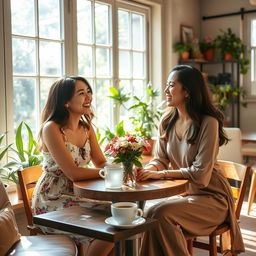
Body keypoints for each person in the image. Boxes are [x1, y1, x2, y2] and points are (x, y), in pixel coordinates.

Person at [136, 65, 244, 256]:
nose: (165, 91)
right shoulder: (167, 120)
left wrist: (160, 174)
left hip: (212, 199)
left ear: (187, 91)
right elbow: (160, 158)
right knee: (149, 216)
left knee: (160, 215)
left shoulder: (208, 122)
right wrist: (148, 170)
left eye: (171, 85)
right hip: (186, 196)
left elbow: (201, 176)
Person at [32, 76, 113, 256]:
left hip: (79, 194)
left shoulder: (86, 127)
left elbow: (100, 161)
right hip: (53, 198)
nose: (89, 97)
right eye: (81, 93)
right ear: (66, 102)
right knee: (112, 225)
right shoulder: (51, 128)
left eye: (89, 92)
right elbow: (73, 173)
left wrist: (117, 167)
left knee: (121, 215)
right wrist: (108, 172)